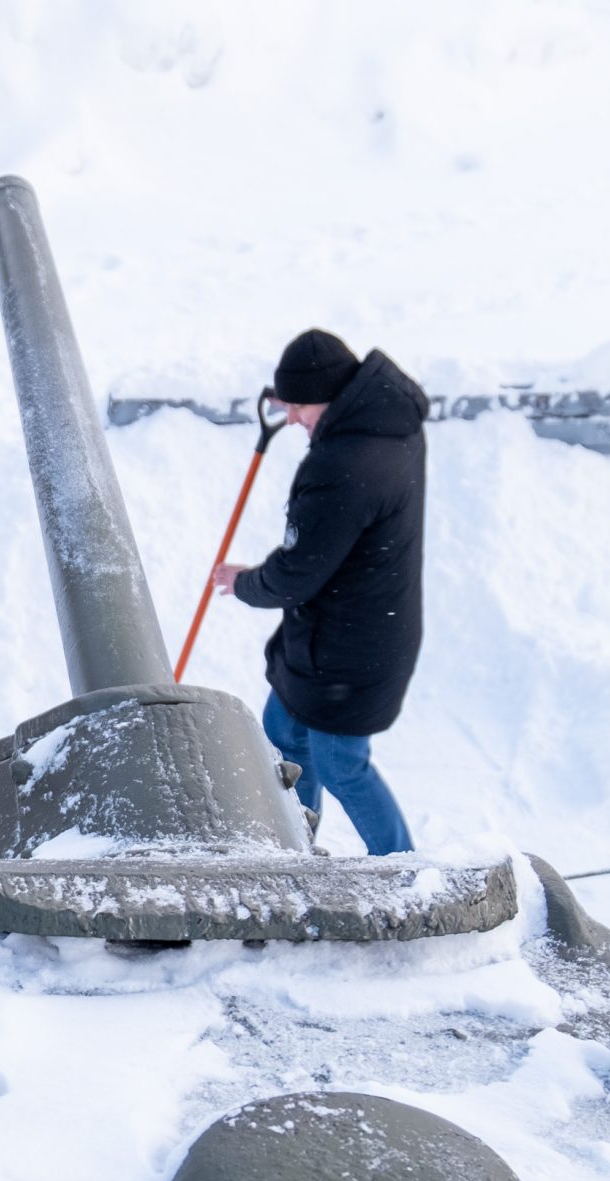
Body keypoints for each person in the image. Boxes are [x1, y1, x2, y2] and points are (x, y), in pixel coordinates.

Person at [211, 329, 427, 855]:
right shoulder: (388, 428)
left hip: (350, 653)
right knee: (283, 735)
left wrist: (241, 583)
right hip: (339, 637)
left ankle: (407, 868)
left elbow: (294, 575)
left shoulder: (343, 469)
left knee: (340, 765)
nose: (293, 419)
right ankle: (294, 847)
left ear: (328, 395)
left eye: (299, 407)